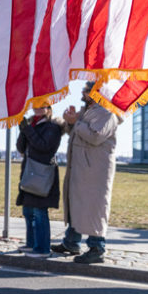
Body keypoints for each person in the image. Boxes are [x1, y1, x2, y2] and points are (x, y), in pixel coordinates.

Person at [51, 82, 121, 264]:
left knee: (94, 209)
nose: (83, 92)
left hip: (95, 171)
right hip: (82, 169)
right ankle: (71, 242)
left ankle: (97, 248)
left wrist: (76, 122)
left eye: (87, 90)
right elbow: (75, 131)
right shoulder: (88, 111)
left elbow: (95, 136)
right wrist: (69, 120)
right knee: (78, 205)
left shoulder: (107, 112)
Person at [15, 101, 63, 258]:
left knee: (39, 212)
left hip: (42, 174)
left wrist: (28, 130)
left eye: (42, 106)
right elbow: (21, 148)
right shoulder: (32, 125)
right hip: (30, 172)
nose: (37, 109)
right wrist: (23, 130)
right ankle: (31, 244)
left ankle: (42, 248)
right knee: (28, 210)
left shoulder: (52, 127)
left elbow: (44, 147)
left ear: (49, 109)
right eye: (35, 106)